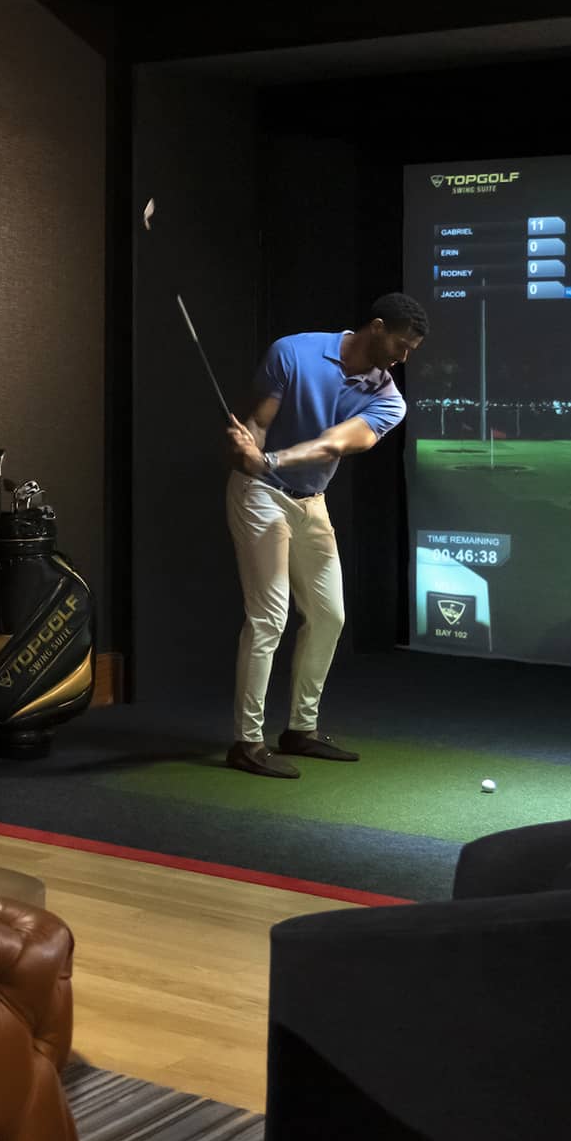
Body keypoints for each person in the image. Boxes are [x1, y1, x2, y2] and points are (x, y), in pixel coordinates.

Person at [223, 293, 429, 778]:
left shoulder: (388, 398)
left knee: (330, 614)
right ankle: (247, 742)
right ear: (376, 327)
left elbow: (336, 442)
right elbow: (260, 418)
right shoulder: (293, 351)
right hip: (259, 495)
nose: (404, 357)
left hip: (309, 501)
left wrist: (273, 458)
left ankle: (300, 730)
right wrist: (246, 444)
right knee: (269, 616)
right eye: (401, 344)